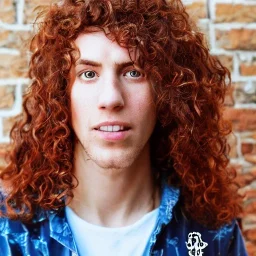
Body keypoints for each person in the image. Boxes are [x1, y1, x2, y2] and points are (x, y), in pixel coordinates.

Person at [0, 0, 248, 255]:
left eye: (134, 72)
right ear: (61, 94)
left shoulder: (212, 234)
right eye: (88, 74)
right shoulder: (8, 230)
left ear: (167, 94)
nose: (111, 99)